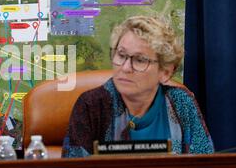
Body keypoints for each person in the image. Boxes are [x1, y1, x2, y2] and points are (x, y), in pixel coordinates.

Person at [62, 16, 214, 157]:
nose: (126, 67)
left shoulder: (181, 103)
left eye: (140, 60)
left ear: (165, 72)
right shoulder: (91, 105)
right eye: (121, 55)